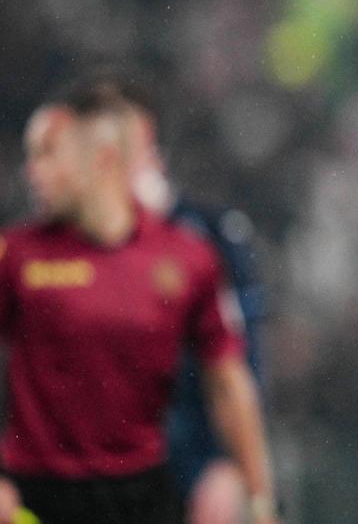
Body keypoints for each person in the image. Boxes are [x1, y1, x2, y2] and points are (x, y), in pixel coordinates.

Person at [0, 82, 278, 524]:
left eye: (51, 154)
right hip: (34, 497)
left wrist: (260, 501)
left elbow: (228, 382)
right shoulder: (16, 255)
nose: (33, 172)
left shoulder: (187, 258)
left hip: (141, 495)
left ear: (102, 159)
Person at [83, 72, 272, 524]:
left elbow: (238, 368)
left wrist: (231, 468)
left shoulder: (210, 237)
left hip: (189, 460)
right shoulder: (57, 245)